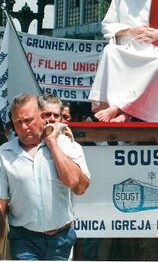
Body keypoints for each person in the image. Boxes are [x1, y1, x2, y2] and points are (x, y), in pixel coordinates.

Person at [0, 93, 90, 260]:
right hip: (24, 240)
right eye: (18, 122)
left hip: (60, 239)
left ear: (41, 117)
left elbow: (74, 183)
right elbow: (1, 204)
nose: (24, 127)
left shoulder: (65, 144)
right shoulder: (4, 153)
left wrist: (53, 144)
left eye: (29, 120)